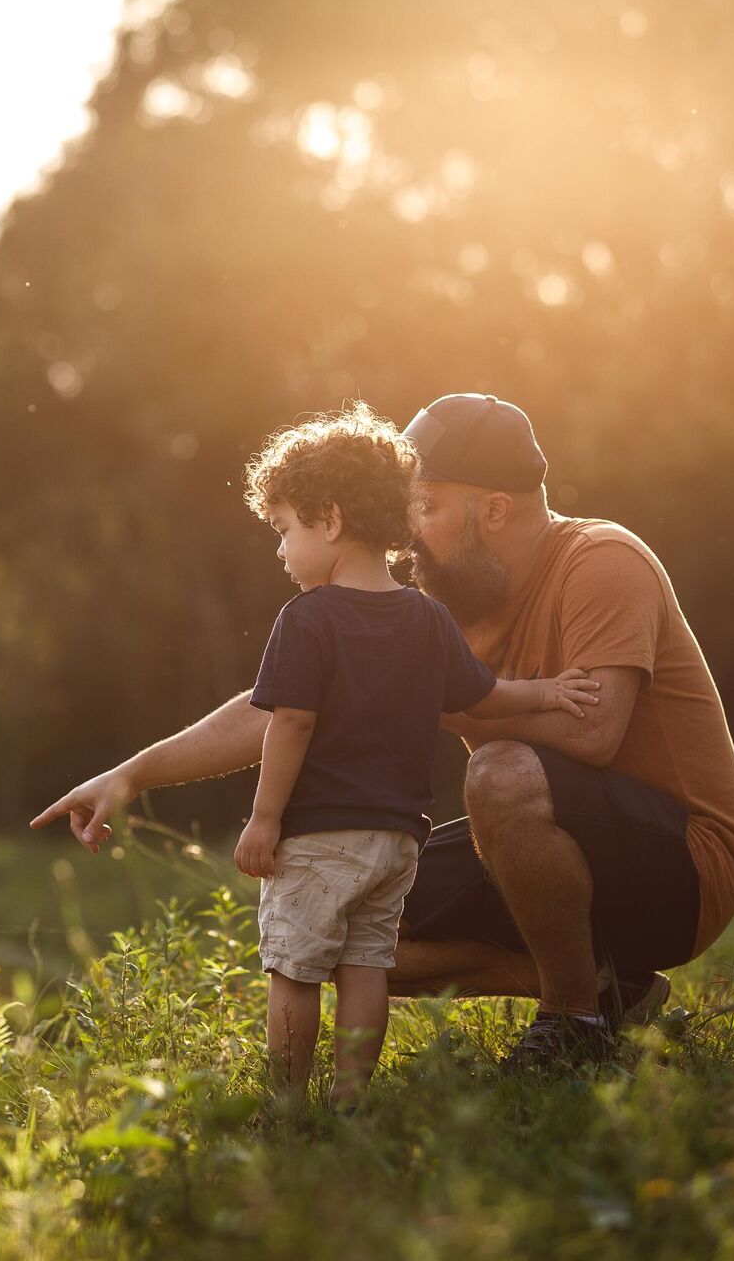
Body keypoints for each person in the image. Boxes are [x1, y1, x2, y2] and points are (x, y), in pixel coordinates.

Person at [32, 393, 734, 1072]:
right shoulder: (443, 606)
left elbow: (597, 734)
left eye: (428, 508)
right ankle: (610, 987)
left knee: (499, 773)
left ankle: (575, 1025)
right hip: (545, 847)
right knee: (349, 918)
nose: (407, 533)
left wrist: (421, 701)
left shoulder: (601, 562)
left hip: (686, 869)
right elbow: (282, 703)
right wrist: (131, 774)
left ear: (495, 510)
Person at [232, 405, 598, 1103]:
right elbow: (486, 696)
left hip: (317, 834)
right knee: (367, 966)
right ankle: (351, 1100)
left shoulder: (306, 619)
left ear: (331, 520)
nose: (281, 551)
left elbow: (292, 725)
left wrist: (265, 818)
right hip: (397, 840)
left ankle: (284, 1105)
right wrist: (549, 692)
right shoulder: (426, 617)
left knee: (296, 969)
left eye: (285, 531)